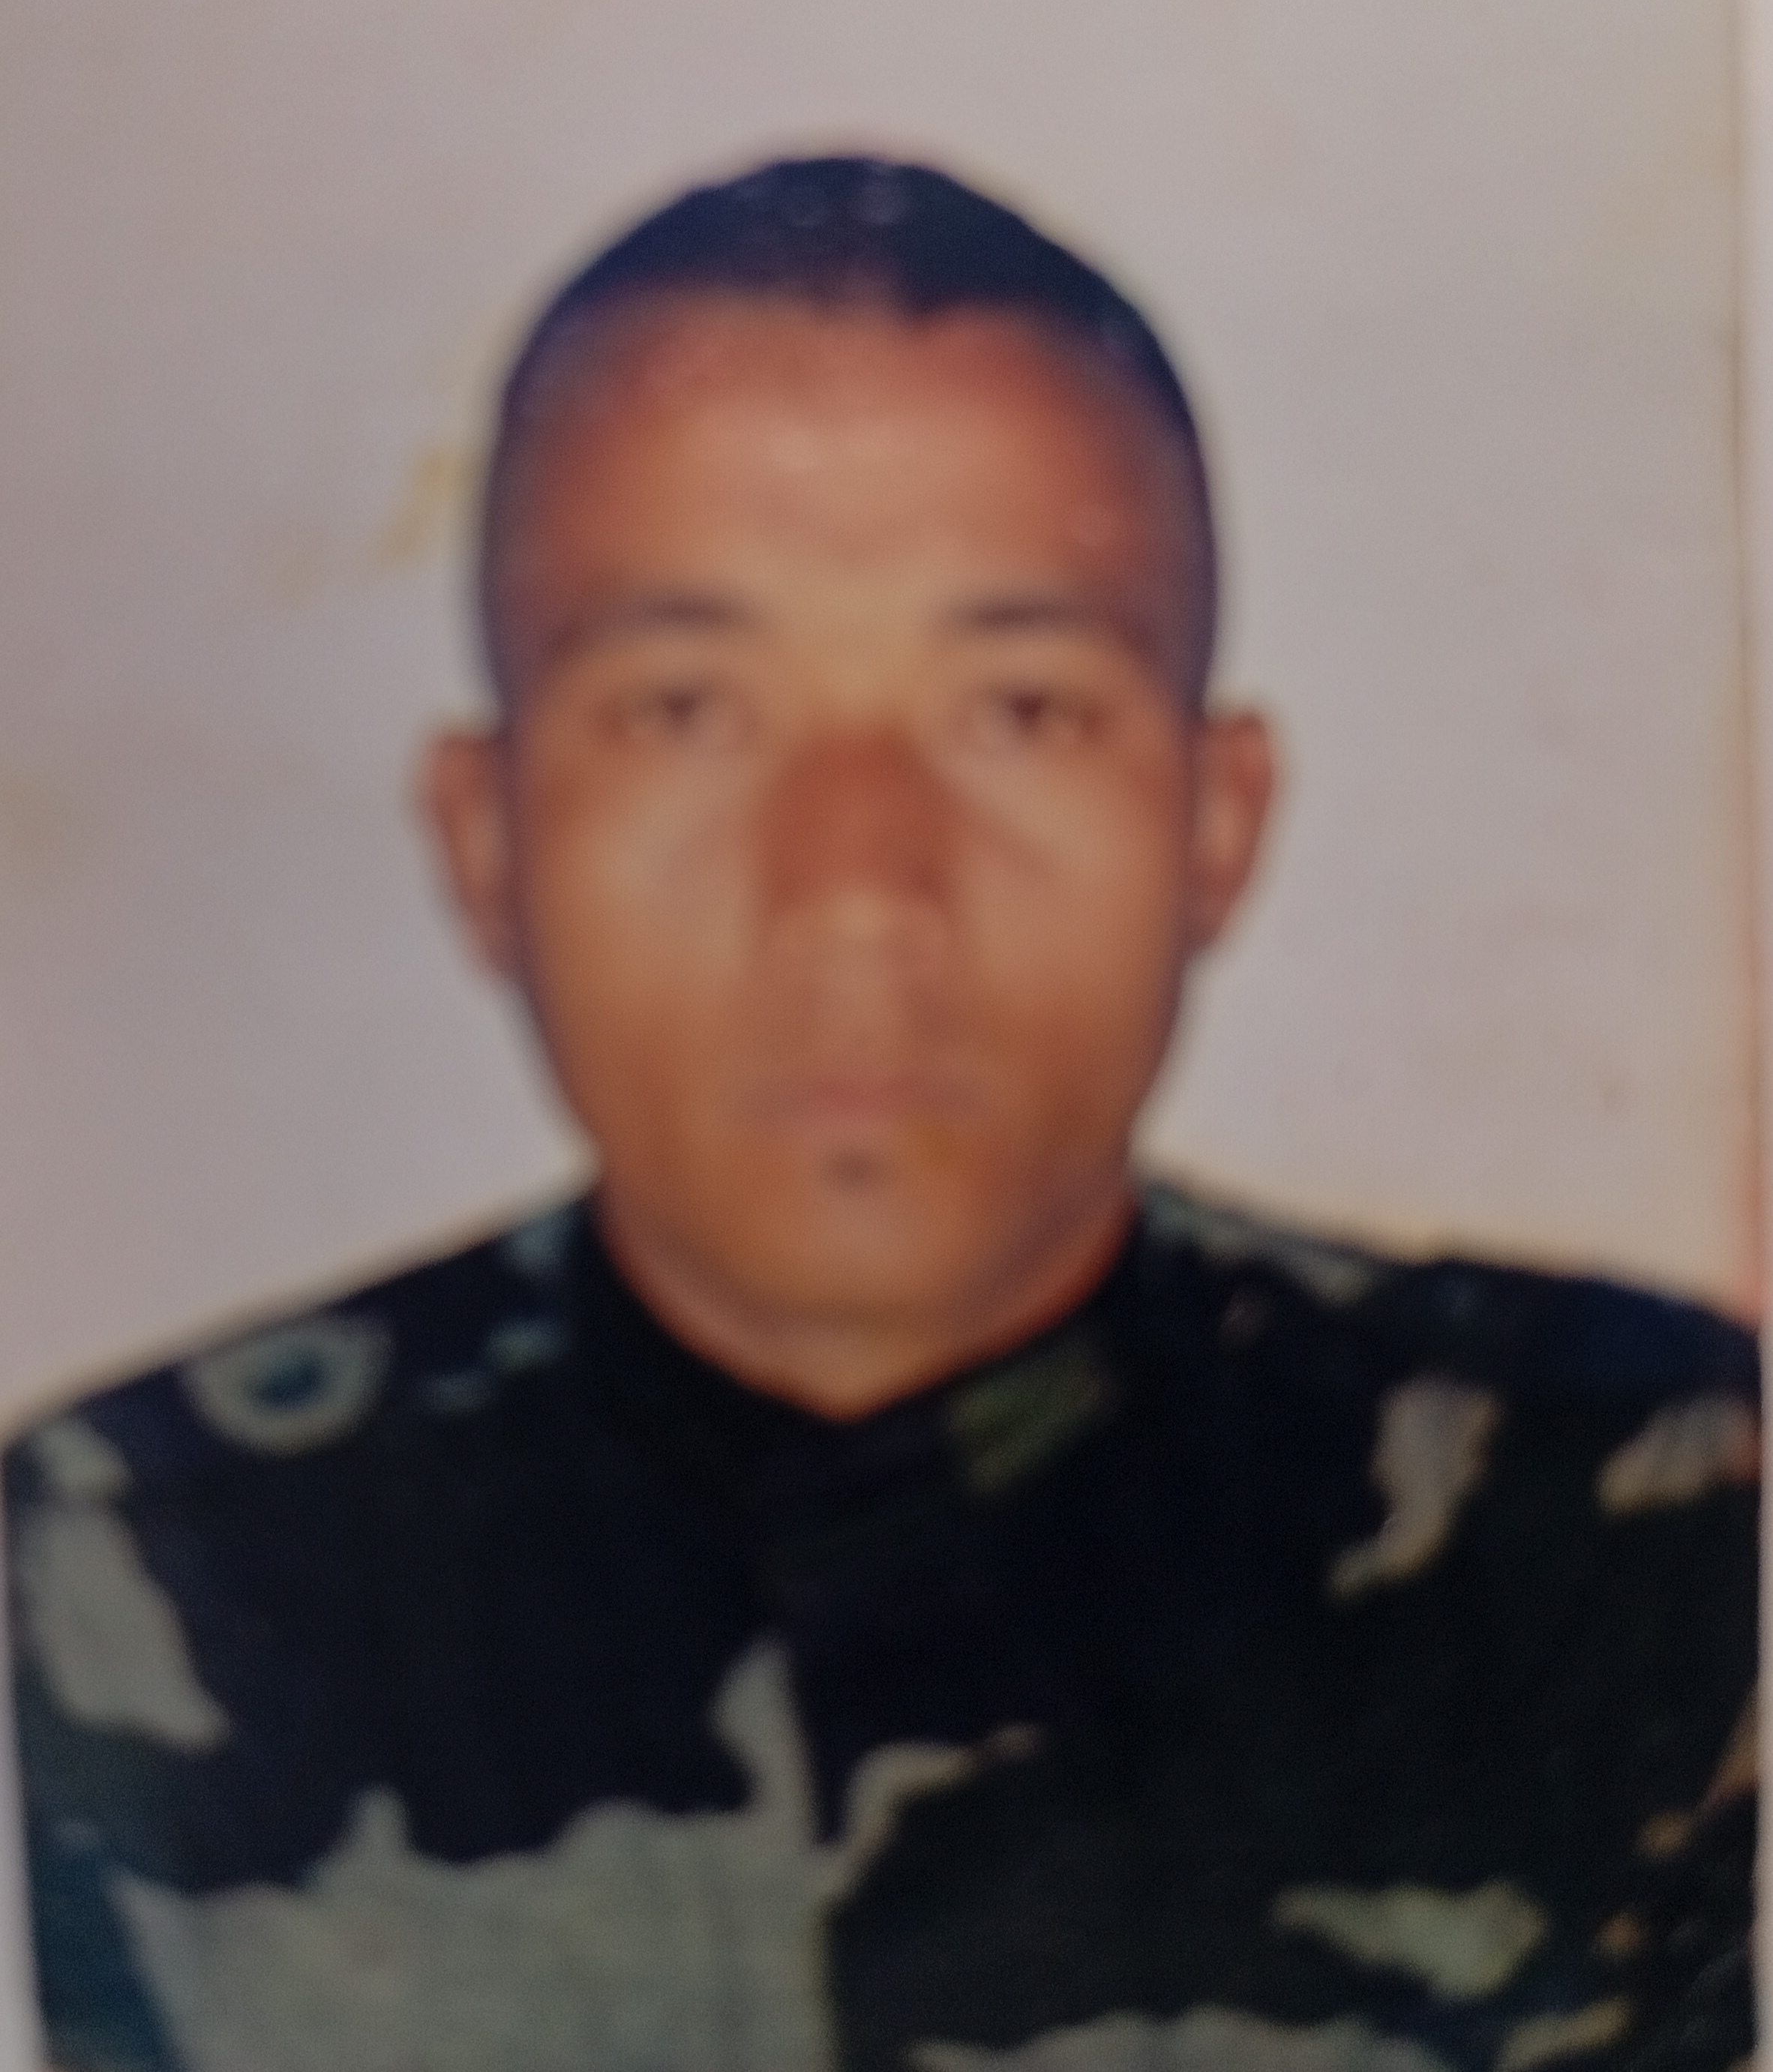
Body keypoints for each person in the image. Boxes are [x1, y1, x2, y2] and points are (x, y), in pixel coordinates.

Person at [5, 157, 1756, 2072]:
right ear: (485, 842)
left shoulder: (1641, 1536)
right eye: (684, 710)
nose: (856, 894)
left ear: (1218, 824)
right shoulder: (112, 1593)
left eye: (1022, 711)